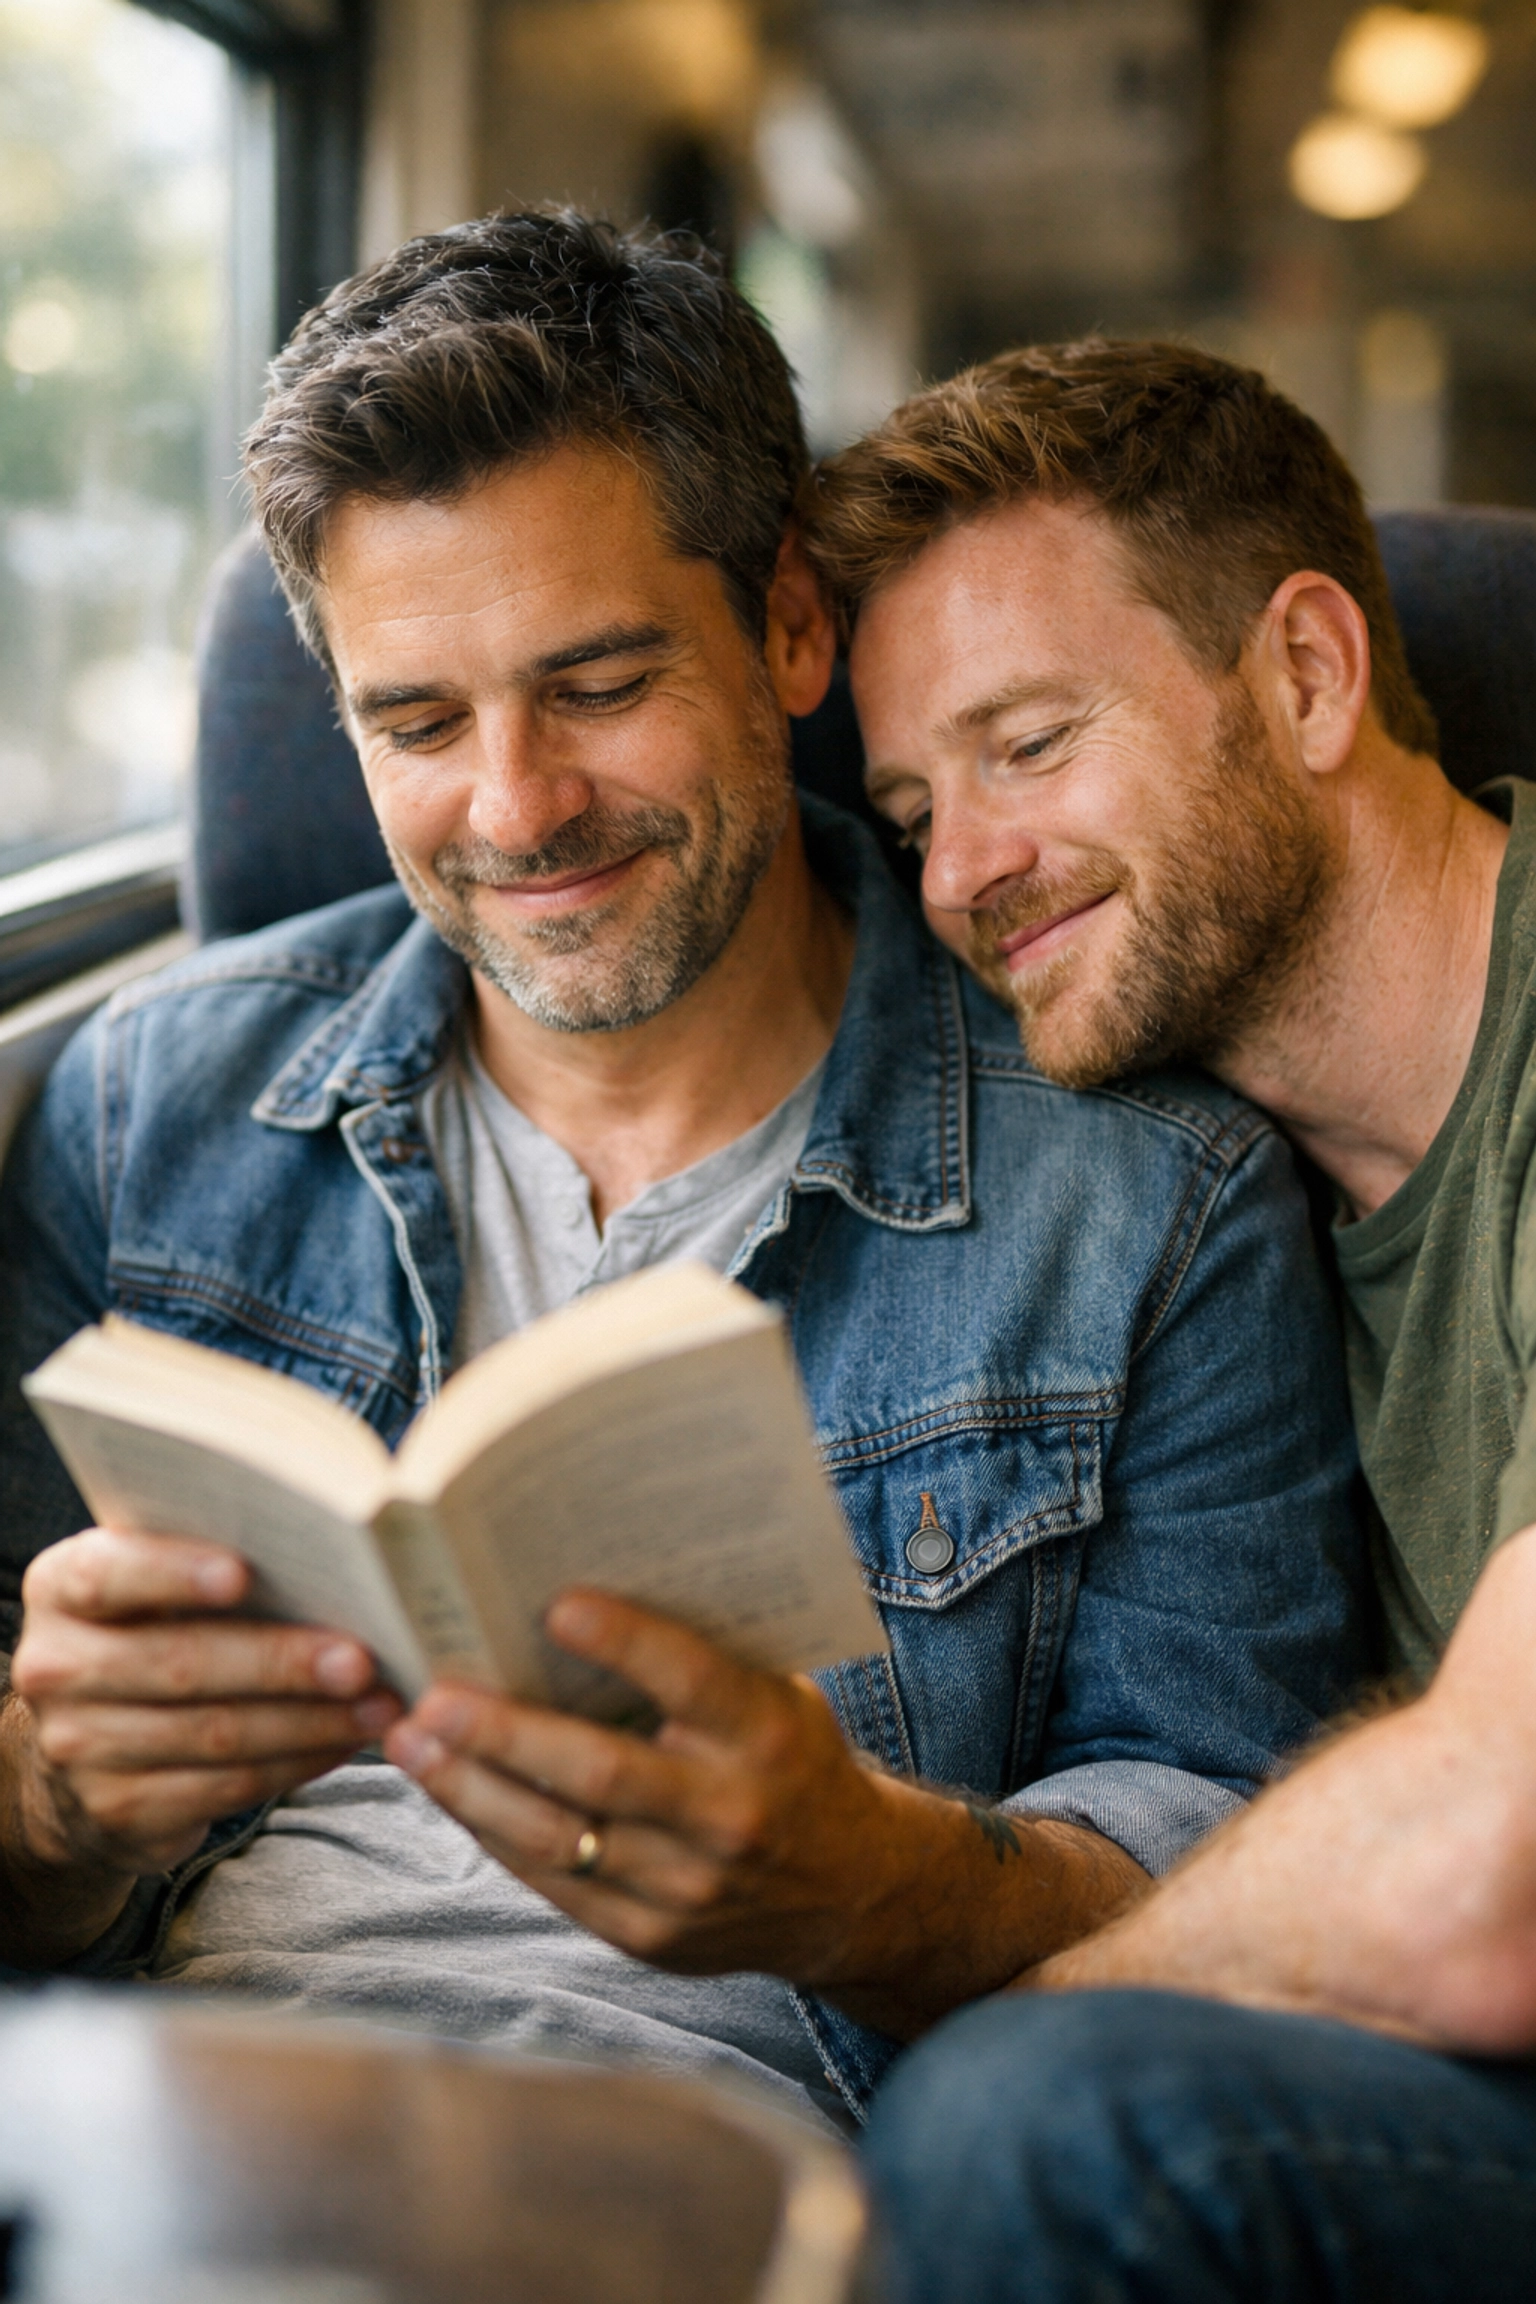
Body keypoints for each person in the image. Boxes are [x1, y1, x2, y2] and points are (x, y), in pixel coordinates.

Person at [0, 227, 1360, 2141]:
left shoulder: (1151, 1194)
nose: (516, 808)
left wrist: (870, 1886)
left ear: (788, 630)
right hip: (155, 2121)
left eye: (601, 683)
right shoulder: (146, 1107)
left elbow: (1224, 1882)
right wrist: (50, 1799)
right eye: (417, 723)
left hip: (723, 2160)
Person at [803, 340, 1536, 2288]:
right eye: (907, 811)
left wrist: (1001, 2048)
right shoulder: (1205, 1219)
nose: (961, 873)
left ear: (1305, 676)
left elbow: (1492, 1873)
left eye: (1028, 744)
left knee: (1037, 2127)